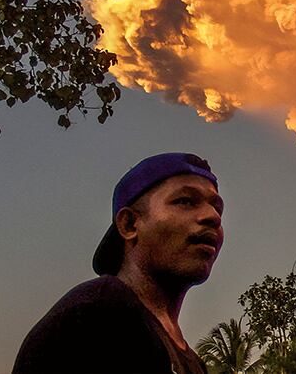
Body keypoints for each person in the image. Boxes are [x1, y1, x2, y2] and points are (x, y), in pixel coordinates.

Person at [12, 152, 225, 374]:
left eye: (217, 208)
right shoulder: (96, 318)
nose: (213, 217)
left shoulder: (193, 362)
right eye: (185, 201)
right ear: (130, 224)